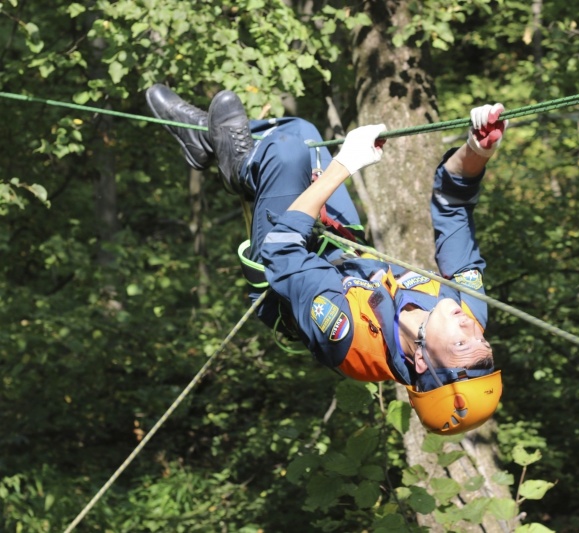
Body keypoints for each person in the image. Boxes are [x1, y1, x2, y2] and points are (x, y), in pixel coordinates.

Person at [146, 84, 507, 434]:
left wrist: (345, 165)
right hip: (342, 248)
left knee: (285, 152)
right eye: (483, 343)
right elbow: (453, 204)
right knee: (301, 131)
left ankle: (240, 165)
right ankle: (205, 142)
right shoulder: (469, 311)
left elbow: (283, 249)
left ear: (422, 361)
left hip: (285, 265)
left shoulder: (351, 344)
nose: (472, 330)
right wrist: (477, 150)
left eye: (462, 345)